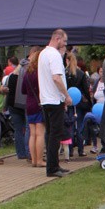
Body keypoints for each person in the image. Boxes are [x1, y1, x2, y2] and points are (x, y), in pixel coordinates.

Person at [38, 28, 71, 177]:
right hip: (54, 99)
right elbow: (56, 78)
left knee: (51, 133)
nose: (64, 44)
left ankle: (54, 164)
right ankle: (52, 167)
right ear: (57, 39)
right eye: (64, 41)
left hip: (45, 99)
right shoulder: (54, 55)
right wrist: (66, 96)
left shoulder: (43, 54)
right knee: (55, 135)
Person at [21, 48, 45, 167]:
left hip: (29, 103)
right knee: (40, 133)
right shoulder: (40, 73)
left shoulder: (27, 73)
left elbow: (23, 90)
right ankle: (40, 160)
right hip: (39, 103)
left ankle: (34, 159)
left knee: (32, 134)